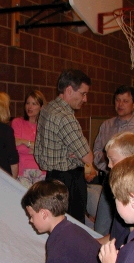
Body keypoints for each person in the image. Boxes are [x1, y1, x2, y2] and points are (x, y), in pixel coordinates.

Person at [34, 69, 97, 224]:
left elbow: (38, 151)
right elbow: (88, 157)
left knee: (55, 225)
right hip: (70, 182)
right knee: (73, 228)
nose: (85, 99)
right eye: (83, 93)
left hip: (51, 178)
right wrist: (78, 155)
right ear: (69, 90)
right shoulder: (65, 117)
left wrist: (74, 153)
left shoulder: (47, 109)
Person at [92, 85, 134, 235]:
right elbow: (96, 152)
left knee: (128, 230)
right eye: (118, 100)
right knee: (102, 226)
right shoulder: (106, 125)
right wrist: (108, 162)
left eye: (125, 101)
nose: (120, 104)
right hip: (110, 181)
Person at [12, 90, 47, 188]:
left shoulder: (45, 126)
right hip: (23, 171)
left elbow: (46, 149)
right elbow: (17, 148)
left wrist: (23, 141)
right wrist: (35, 147)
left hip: (41, 171)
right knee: (26, 201)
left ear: (41, 107)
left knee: (39, 202)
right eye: (27, 103)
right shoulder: (17, 122)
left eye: (34, 104)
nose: (30, 107)